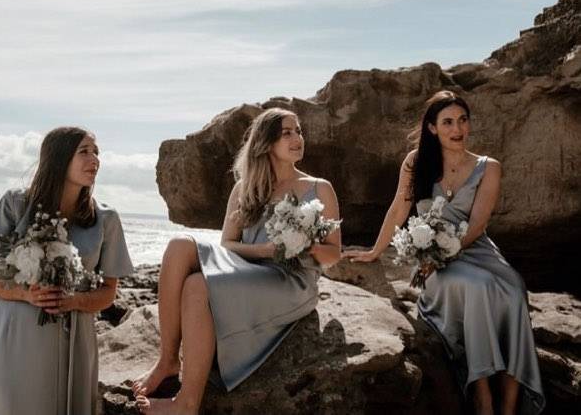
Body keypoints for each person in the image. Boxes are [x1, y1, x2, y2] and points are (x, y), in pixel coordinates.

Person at [343, 91, 545, 415]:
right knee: (477, 287)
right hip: (434, 261)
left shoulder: (487, 167)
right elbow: (398, 210)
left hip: (474, 250)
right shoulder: (416, 162)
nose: (457, 129)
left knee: (515, 288)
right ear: (433, 128)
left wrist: (444, 252)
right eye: (448, 122)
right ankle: (482, 393)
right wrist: (374, 251)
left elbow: (477, 225)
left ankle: (510, 404)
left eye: (462, 120)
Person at [134, 108, 341, 414]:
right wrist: (266, 250)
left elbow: (334, 254)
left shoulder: (319, 187)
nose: (297, 138)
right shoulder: (245, 188)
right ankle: (167, 361)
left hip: (291, 281)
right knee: (179, 245)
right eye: (287, 132)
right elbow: (228, 244)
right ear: (265, 142)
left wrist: (304, 246)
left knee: (195, 286)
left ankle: (186, 402)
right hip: (249, 268)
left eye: (299, 131)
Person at [0, 126, 134, 415]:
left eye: (96, 152)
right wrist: (25, 294)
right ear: (59, 158)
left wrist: (75, 301)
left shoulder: (106, 219)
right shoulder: (15, 203)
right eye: (84, 151)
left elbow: (109, 293)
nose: (94, 159)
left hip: (75, 335)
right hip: (15, 332)